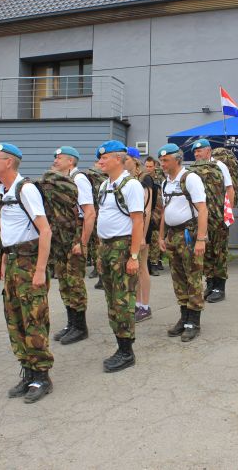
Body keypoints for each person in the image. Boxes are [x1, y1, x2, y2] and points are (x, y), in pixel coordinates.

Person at [0, 143, 54, 403]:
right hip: (13, 260)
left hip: (29, 264)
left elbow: (45, 231)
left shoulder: (25, 189)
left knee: (34, 319)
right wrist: (4, 260)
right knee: (15, 319)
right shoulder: (2, 190)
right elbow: (8, 230)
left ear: (9, 162)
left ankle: (42, 376)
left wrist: (40, 270)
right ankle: (27, 371)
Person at [95, 140, 145, 372]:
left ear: (118, 159)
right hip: (106, 248)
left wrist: (133, 256)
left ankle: (127, 351)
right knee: (112, 300)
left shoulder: (131, 184)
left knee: (123, 300)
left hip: (122, 248)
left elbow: (137, 220)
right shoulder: (105, 185)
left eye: (105, 158)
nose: (101, 161)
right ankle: (120, 345)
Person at [158, 143, 208, 341]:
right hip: (172, 235)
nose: (162, 163)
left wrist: (201, 239)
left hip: (189, 234)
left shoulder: (190, 178)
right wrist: (161, 236)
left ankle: (193, 322)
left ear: (177, 160)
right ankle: (183, 316)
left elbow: (203, 210)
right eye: (161, 160)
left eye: (165, 160)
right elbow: (164, 212)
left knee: (193, 278)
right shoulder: (165, 182)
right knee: (178, 278)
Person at [51, 146, 96, 345]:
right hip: (62, 234)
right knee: (64, 280)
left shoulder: (79, 180)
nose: (55, 160)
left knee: (74, 280)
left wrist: (82, 241)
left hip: (75, 232)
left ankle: (80, 326)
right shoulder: (63, 180)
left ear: (71, 161)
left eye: (59, 158)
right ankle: (71, 323)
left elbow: (89, 212)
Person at [192, 138, 234, 303]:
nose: (197, 153)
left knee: (219, 252)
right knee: (206, 252)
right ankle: (210, 284)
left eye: (199, 150)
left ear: (208, 151)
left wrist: (228, 213)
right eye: (195, 151)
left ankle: (219, 287)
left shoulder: (219, 166)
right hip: (202, 218)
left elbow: (229, 189)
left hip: (218, 216)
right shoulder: (194, 169)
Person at [124, 148, 154, 322]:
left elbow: (147, 210)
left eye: (126, 159)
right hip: (132, 227)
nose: (123, 162)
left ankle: (145, 306)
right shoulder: (129, 179)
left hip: (142, 227)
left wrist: (142, 235)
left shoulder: (144, 178)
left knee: (142, 266)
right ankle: (136, 303)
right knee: (133, 269)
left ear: (135, 160)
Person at [145, 156, 164, 275]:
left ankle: (154, 263)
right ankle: (147, 263)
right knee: (147, 237)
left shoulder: (159, 179)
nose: (148, 169)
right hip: (146, 209)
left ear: (155, 166)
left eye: (150, 166)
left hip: (157, 210)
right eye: (146, 166)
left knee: (155, 237)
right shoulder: (143, 178)